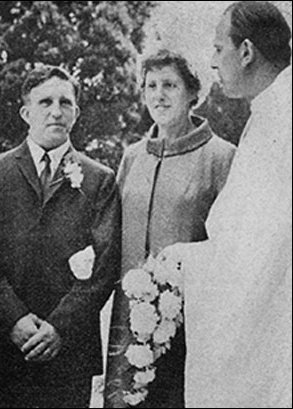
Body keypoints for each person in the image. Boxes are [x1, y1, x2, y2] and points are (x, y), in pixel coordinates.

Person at [160, 2, 292, 407]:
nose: (213, 62)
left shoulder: (282, 116)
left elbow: (263, 249)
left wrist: (184, 261)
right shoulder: (272, 108)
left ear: (247, 51)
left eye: (219, 49)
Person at [0, 64, 121, 408]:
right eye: (45, 102)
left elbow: (105, 265)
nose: (56, 111)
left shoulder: (99, 179)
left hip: (68, 350)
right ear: (25, 112)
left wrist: (59, 328)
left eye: (65, 103)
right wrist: (15, 320)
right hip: (7, 346)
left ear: (77, 113)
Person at [104, 49, 236, 408]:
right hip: (129, 317)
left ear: (194, 93)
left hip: (190, 320)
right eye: (151, 86)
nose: (159, 95)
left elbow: (233, 245)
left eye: (170, 85)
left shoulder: (221, 157)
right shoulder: (133, 156)